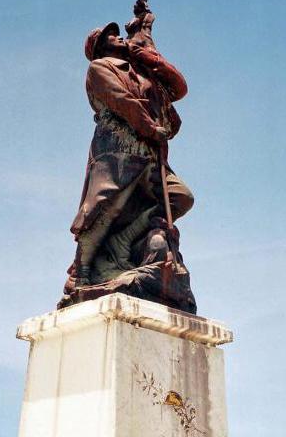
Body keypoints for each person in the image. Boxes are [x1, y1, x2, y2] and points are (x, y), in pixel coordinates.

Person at [68, 20, 194, 286]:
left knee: (180, 198)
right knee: (105, 208)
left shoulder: (140, 71)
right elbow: (122, 101)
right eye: (111, 36)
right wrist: (150, 128)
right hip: (117, 149)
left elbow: (176, 89)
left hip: (147, 151)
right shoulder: (99, 68)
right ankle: (82, 272)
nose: (118, 37)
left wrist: (143, 45)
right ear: (101, 46)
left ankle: (122, 242)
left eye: (117, 34)